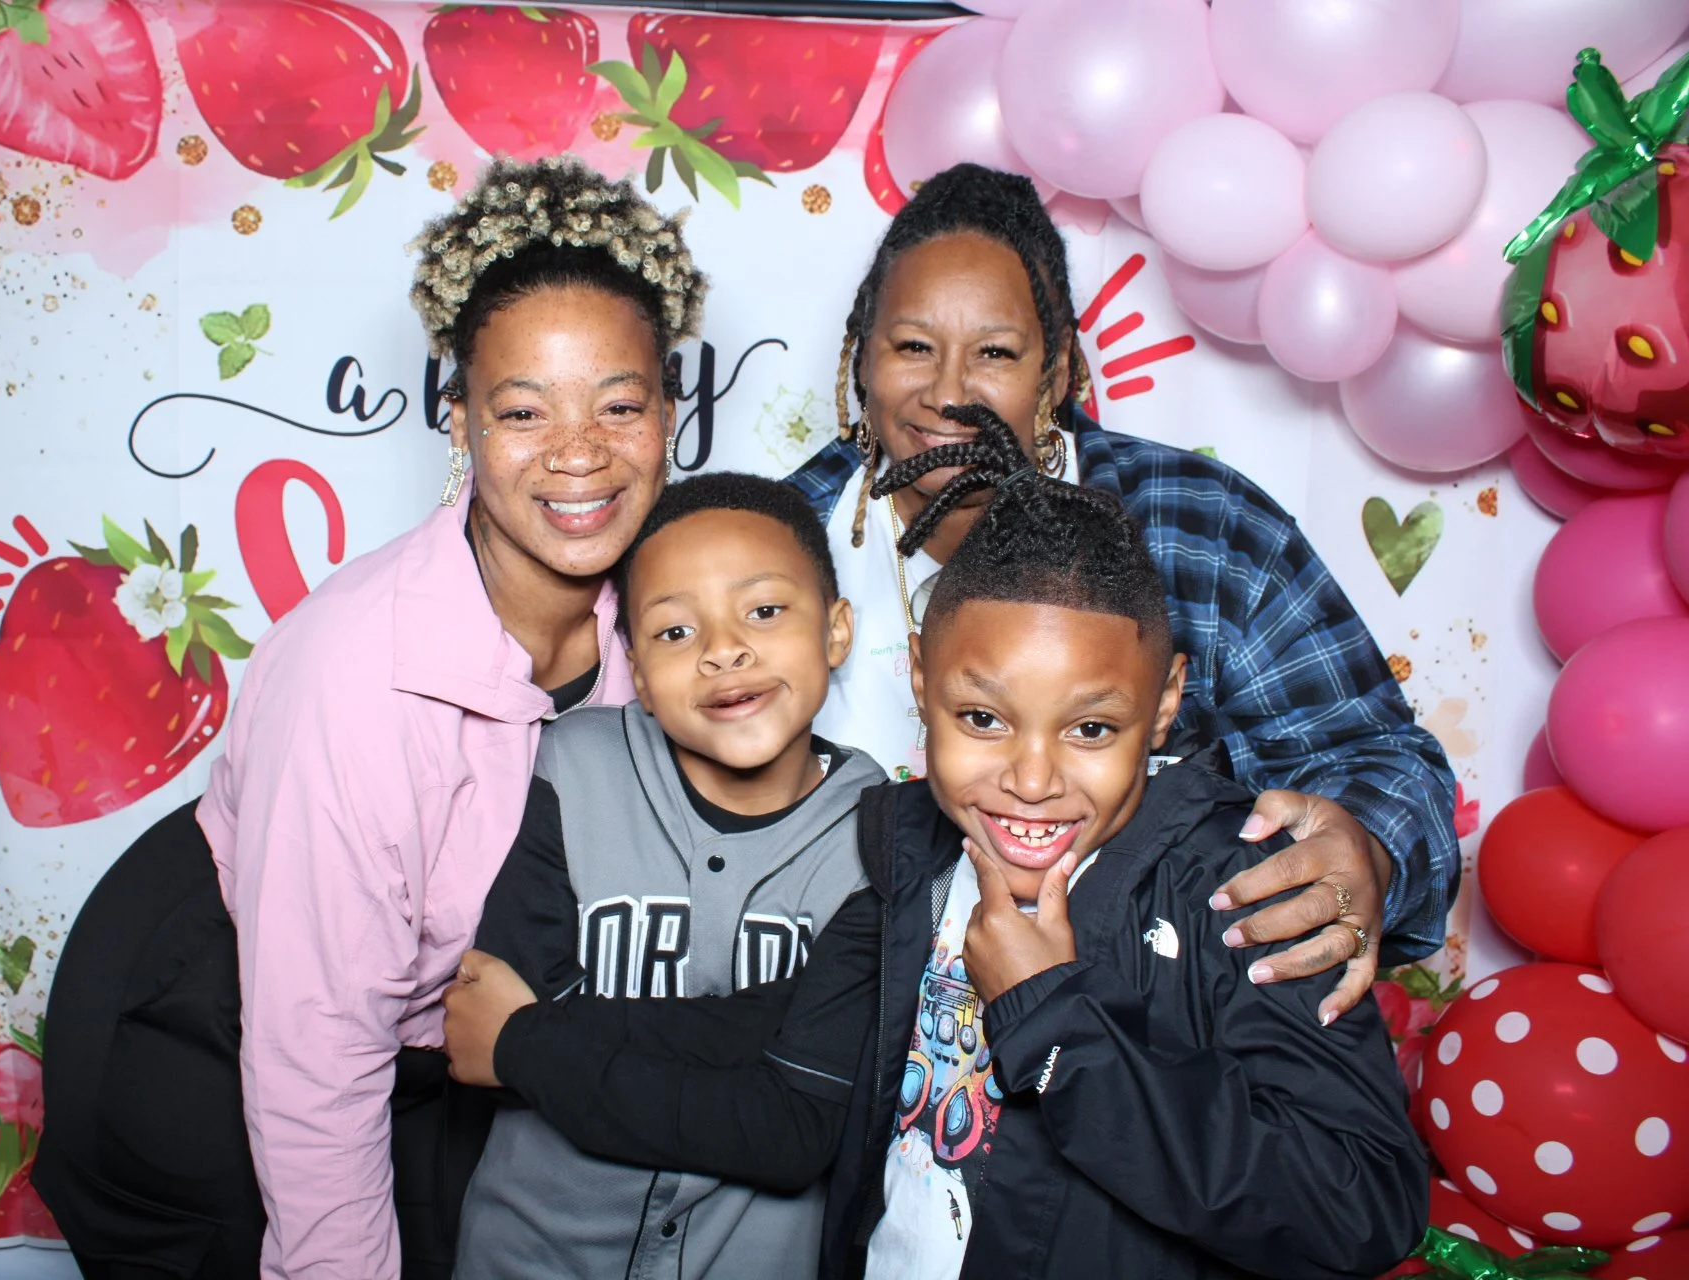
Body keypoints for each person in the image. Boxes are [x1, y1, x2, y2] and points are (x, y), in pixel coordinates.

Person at [32, 155, 707, 1279]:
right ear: (459, 423)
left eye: (620, 405)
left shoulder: (662, 627)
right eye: (523, 409)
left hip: (427, 1042)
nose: (579, 451)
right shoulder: (352, 674)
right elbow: (314, 1048)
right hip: (216, 1024)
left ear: (670, 416)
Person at [788, 163, 1458, 1016]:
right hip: (846, 1040)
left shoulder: (1203, 528)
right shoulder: (780, 540)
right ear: (861, 355)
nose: (948, 393)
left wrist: (1368, 846)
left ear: (1058, 368)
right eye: (912, 346)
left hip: (1129, 1038)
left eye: (995, 353)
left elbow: (1380, 759)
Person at [821, 410, 1429, 1278]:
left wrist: (1057, 1028)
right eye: (983, 719)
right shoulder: (909, 845)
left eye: (1092, 729)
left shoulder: (1244, 890)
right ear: (920, 678)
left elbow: (1364, 1203)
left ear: (1167, 700)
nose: (1032, 780)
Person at [442, 473, 885, 1278]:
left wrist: (532, 1044)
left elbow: (800, 1121)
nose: (724, 649)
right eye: (675, 631)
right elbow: (486, 1034)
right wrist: (760, 1050)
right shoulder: (570, 769)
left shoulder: (883, 837)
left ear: (836, 630)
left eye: (764, 611)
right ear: (637, 672)